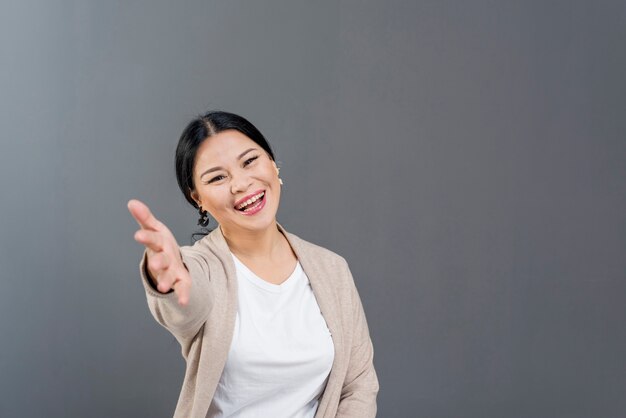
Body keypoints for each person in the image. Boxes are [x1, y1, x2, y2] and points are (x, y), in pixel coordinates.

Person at [127, 111, 379, 418]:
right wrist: (166, 276)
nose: (241, 184)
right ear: (198, 199)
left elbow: (358, 384)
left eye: (250, 161)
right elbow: (188, 301)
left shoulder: (332, 269)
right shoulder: (202, 267)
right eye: (218, 177)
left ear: (273, 164)